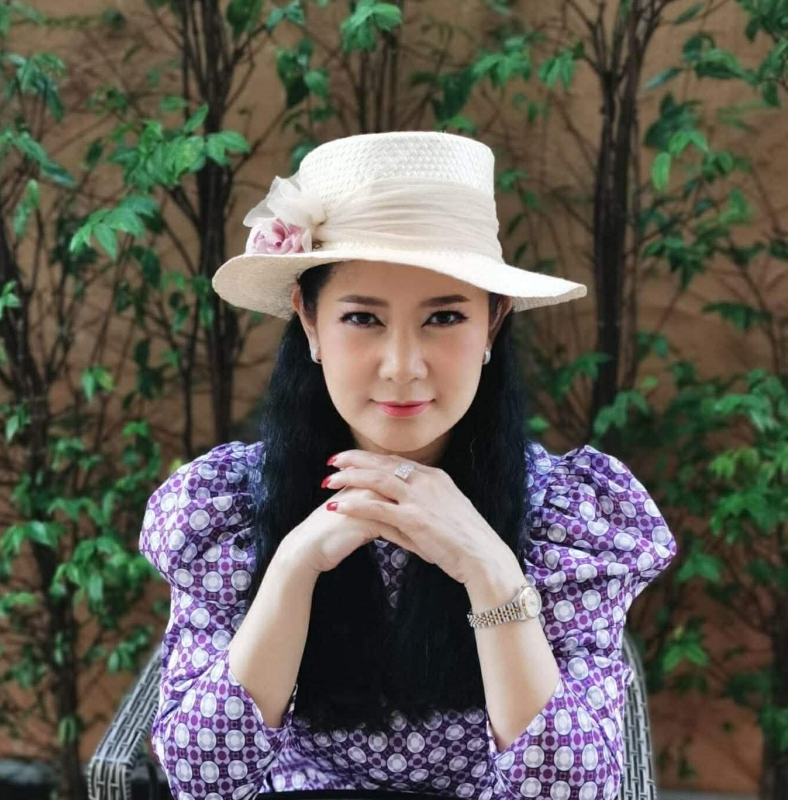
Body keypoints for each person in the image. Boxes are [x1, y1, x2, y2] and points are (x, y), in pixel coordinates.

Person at [138, 131, 678, 800]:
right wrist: (295, 565)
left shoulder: (567, 519)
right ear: (310, 322)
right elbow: (203, 777)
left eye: (444, 317)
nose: (402, 367)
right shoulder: (230, 507)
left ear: (493, 322)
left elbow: (573, 790)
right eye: (362, 318)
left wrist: (488, 568)